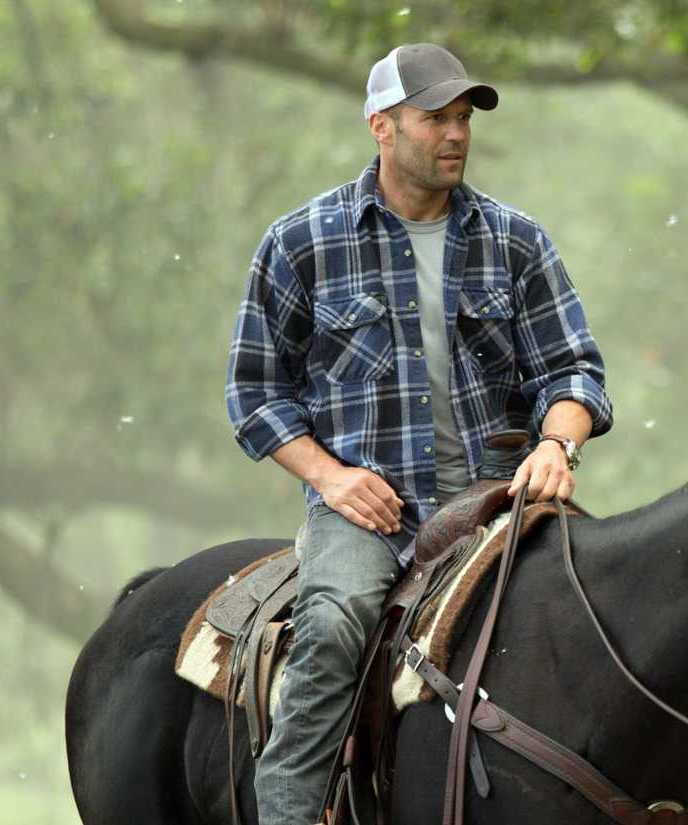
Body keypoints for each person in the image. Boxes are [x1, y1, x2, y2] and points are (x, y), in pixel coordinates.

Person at [224, 43, 612, 825]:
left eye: (464, 117)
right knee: (333, 626)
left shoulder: (516, 240)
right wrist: (332, 479)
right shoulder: (302, 242)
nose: (456, 133)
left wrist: (555, 444)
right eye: (435, 116)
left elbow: (575, 374)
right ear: (381, 125)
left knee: (607, 616)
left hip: (499, 501)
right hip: (368, 510)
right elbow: (256, 394)